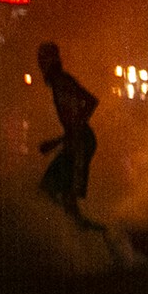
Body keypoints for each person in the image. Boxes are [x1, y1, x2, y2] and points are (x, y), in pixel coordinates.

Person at [35, 41, 98, 220]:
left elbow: (91, 101)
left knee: (68, 195)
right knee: (48, 189)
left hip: (81, 142)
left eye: (43, 59)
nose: (40, 64)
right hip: (75, 141)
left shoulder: (62, 81)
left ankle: (82, 235)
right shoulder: (58, 82)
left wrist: (69, 134)